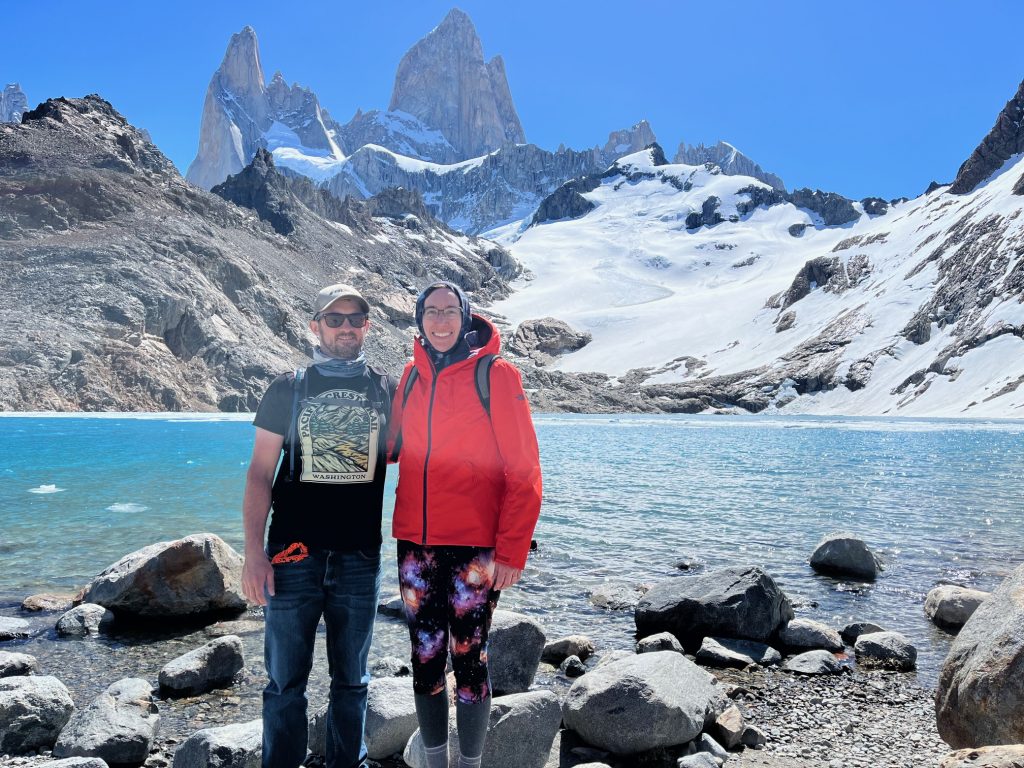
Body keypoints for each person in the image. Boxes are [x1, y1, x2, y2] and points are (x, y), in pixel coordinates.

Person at [388, 281, 543, 768]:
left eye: (449, 310)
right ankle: (436, 762)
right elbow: (389, 447)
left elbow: (524, 469)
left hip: (475, 549)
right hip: (416, 543)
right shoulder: (410, 377)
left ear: (465, 316)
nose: (440, 321)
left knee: (470, 659)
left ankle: (470, 764)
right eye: (430, 311)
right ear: (419, 319)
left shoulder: (496, 375)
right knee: (425, 656)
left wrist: (512, 550)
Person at [241, 283, 396, 768]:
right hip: (293, 558)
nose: (345, 327)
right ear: (315, 326)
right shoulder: (288, 388)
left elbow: (419, 454)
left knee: (352, 681)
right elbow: (259, 473)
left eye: (355, 319)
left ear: (367, 327)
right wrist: (252, 553)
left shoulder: (384, 388)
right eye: (335, 319)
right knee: (285, 681)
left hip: (359, 557)